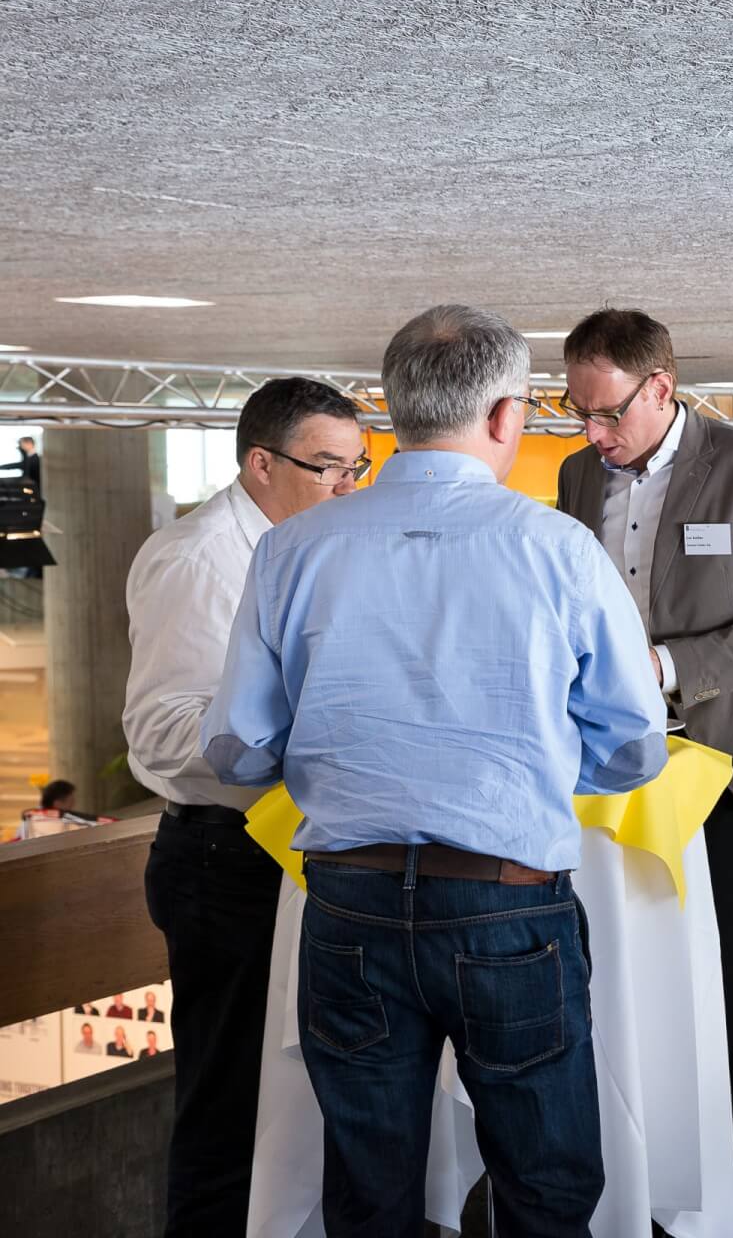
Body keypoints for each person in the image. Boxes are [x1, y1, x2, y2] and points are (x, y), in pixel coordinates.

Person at [201, 304, 671, 1237]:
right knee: (544, 1185)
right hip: (509, 906)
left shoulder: (290, 549)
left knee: (369, 1192)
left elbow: (237, 748)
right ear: (507, 417)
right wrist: (521, 760)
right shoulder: (560, 550)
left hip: (346, 905)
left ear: (390, 409)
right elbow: (633, 745)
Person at [555, 307, 733, 1229]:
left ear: (661, 387)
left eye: (608, 412)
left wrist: (667, 666)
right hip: (603, 777)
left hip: (716, 769)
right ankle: (623, 1182)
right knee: (612, 988)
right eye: (577, 412)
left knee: (713, 988)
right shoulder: (577, 473)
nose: (594, 433)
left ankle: (719, 1195)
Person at [126, 374, 366, 1238]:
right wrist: (311, 736)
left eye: (358, 468)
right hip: (222, 860)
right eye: (329, 468)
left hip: (293, 855)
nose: (348, 488)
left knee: (300, 1113)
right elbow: (159, 733)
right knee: (229, 1115)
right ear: (261, 463)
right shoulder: (201, 558)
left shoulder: (305, 548)